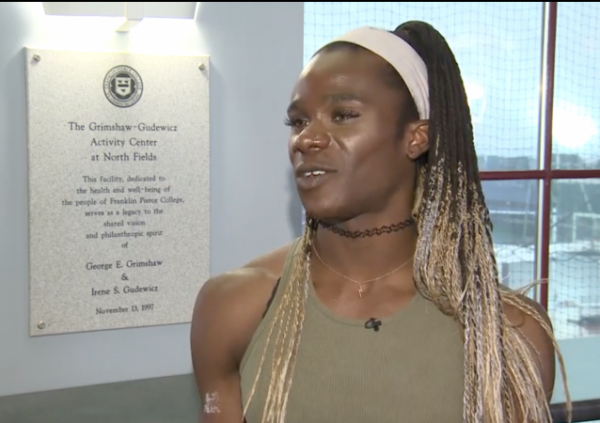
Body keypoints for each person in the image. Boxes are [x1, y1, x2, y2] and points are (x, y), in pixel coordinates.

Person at [190, 21, 571, 423]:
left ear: (416, 138)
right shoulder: (234, 306)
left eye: (343, 115)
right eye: (298, 122)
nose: (306, 139)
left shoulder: (508, 335)